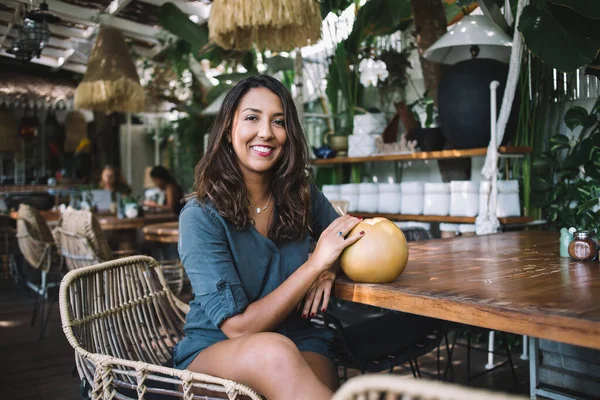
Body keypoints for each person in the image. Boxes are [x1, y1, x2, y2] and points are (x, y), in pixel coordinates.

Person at [174, 75, 365, 399]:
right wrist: (315, 265)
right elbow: (238, 328)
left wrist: (330, 268)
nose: (266, 132)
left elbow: (353, 235)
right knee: (274, 352)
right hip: (216, 350)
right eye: (252, 118)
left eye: (278, 121)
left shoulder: (300, 193)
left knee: (312, 372)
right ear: (227, 130)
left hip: (296, 338)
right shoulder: (200, 216)